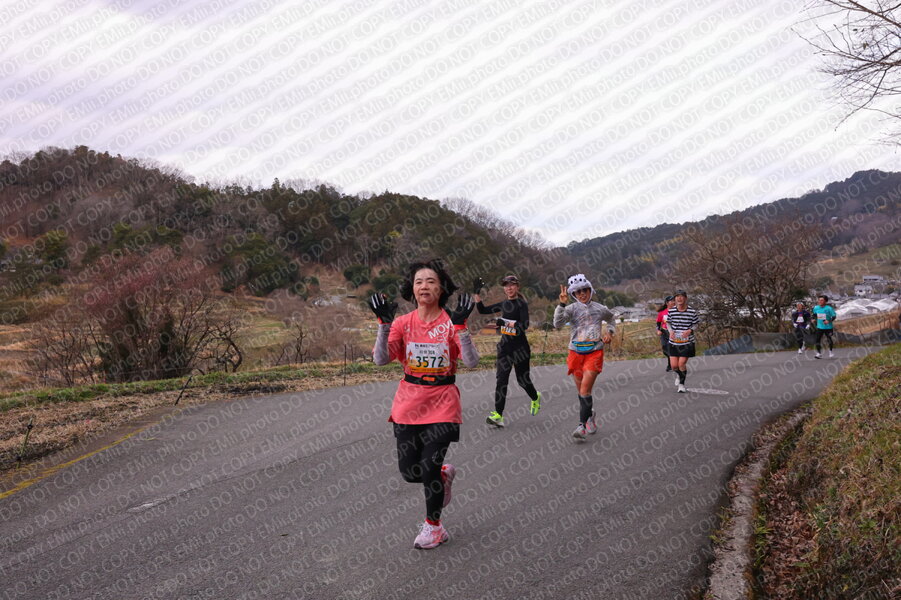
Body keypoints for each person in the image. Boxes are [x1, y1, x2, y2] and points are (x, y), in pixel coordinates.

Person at [370, 259, 479, 549]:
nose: (424, 286)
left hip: (443, 402)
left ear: (441, 288)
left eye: (431, 281)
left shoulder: (450, 322)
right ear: (412, 289)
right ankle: (443, 476)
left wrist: (461, 327)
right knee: (410, 473)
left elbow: (471, 362)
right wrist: (384, 326)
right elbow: (380, 359)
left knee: (429, 466)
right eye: (419, 281)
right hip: (408, 404)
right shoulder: (403, 323)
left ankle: (434, 527)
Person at [553, 274, 616, 441]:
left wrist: (609, 333)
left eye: (585, 290)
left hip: (594, 352)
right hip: (575, 353)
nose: (582, 294)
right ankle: (590, 415)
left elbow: (611, 319)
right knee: (581, 392)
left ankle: (581, 426)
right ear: (574, 294)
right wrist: (561, 304)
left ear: (590, 290)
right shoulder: (571, 309)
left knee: (585, 390)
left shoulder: (600, 308)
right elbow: (557, 324)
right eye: (578, 292)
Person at [474, 274, 541, 428]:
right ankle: (498, 415)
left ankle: (535, 397)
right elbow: (482, 309)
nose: (509, 288)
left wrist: (504, 322)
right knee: (501, 381)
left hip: (520, 349)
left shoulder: (521, 304)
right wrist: (477, 293)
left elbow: (523, 325)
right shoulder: (504, 304)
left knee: (523, 381)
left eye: (512, 285)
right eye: (506, 285)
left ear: (517, 287)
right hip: (505, 348)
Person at [667, 289, 700, 393]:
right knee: (674, 366)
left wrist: (690, 330)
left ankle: (681, 385)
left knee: (681, 364)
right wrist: (670, 331)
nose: (679, 298)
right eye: (677, 296)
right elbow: (668, 323)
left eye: (681, 296)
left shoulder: (691, 311)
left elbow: (696, 324)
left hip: (687, 342)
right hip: (674, 341)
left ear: (685, 298)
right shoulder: (672, 311)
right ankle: (679, 375)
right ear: (675, 299)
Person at [811, 295, 837, 359]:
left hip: (828, 327)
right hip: (819, 327)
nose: (820, 301)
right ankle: (819, 353)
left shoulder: (829, 308)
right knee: (817, 339)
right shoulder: (816, 308)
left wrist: (829, 321)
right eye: (819, 300)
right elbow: (814, 315)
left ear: (825, 301)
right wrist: (813, 319)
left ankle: (830, 352)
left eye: (822, 300)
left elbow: (834, 316)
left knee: (829, 339)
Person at [656, 296, 675, 371]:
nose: (673, 302)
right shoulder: (662, 313)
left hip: (673, 333)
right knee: (665, 348)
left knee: (671, 349)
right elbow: (658, 323)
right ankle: (671, 362)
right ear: (667, 303)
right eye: (671, 301)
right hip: (664, 332)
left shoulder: (677, 311)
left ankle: (671, 365)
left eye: (674, 301)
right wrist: (658, 330)